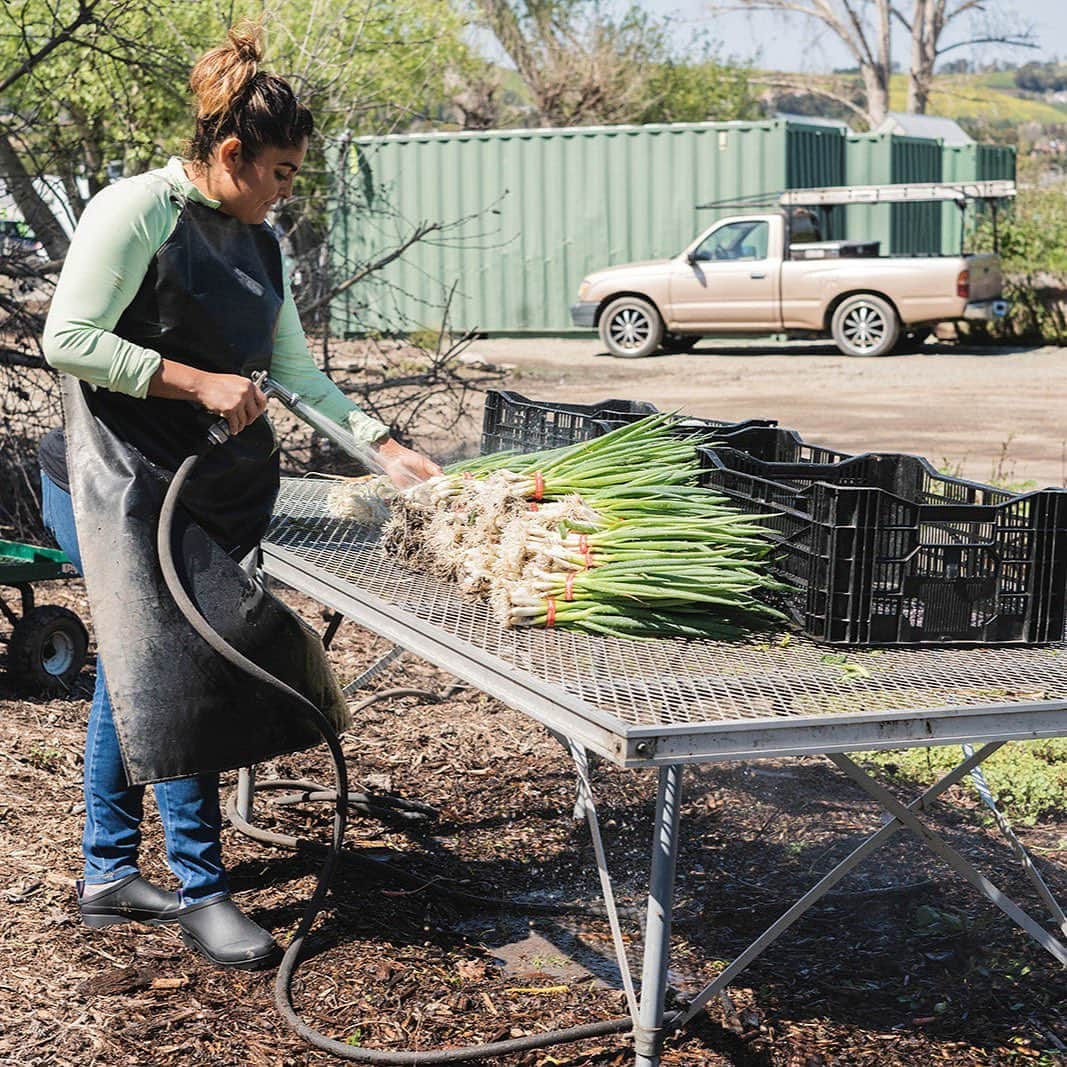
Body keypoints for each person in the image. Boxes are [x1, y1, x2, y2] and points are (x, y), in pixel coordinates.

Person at [37, 22, 439, 970]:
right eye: (283, 172)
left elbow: (294, 368)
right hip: (115, 483)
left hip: (200, 492)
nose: (287, 191)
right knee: (182, 669)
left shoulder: (260, 244)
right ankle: (202, 891)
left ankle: (105, 874)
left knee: (135, 674)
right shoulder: (137, 209)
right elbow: (69, 338)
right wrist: (196, 380)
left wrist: (381, 446)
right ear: (232, 153)